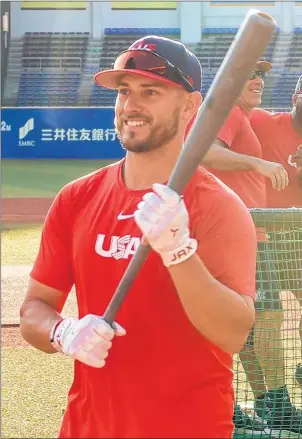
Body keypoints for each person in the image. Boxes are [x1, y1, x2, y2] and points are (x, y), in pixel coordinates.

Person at [20, 36, 257, 439]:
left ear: (189, 106)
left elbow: (234, 333)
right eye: (124, 91)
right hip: (87, 426)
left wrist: (179, 251)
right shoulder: (77, 199)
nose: (130, 105)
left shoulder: (218, 206)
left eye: (151, 91)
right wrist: (63, 332)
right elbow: (33, 312)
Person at [186, 63, 302, 435]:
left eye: (262, 74)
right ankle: (275, 402)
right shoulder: (228, 112)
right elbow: (203, 151)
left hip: (248, 232)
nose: (258, 80)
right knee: (266, 320)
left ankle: (258, 402)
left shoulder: (242, 116)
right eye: (249, 73)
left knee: (248, 323)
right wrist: (257, 162)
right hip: (241, 232)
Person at [250, 74, 302, 425]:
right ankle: (267, 399)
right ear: (297, 95)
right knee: (263, 318)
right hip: (262, 235)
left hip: (297, 238)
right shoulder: (261, 122)